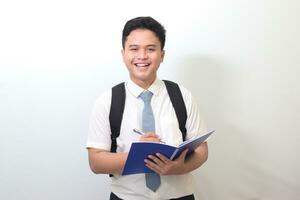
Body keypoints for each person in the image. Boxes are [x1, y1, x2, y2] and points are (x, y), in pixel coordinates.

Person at [86, 16, 208, 200]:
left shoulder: (182, 96)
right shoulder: (107, 101)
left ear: (162, 55)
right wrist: (139, 155)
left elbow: (201, 150)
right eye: (134, 49)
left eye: (150, 49)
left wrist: (179, 167)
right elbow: (96, 162)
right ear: (123, 54)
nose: (142, 56)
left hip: (180, 196)